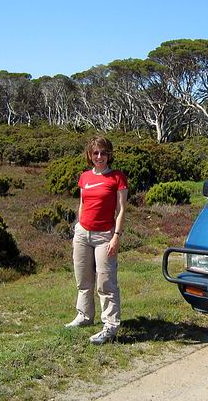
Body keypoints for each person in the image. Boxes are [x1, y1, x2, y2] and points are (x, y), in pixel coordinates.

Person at [65, 136, 128, 345]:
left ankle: (110, 326)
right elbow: (82, 204)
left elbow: (121, 210)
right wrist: (78, 226)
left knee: (106, 282)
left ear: (109, 155)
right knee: (83, 279)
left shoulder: (117, 177)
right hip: (83, 233)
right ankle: (84, 316)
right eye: (95, 153)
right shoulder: (84, 177)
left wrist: (116, 236)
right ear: (90, 155)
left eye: (103, 153)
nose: (99, 157)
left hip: (105, 236)